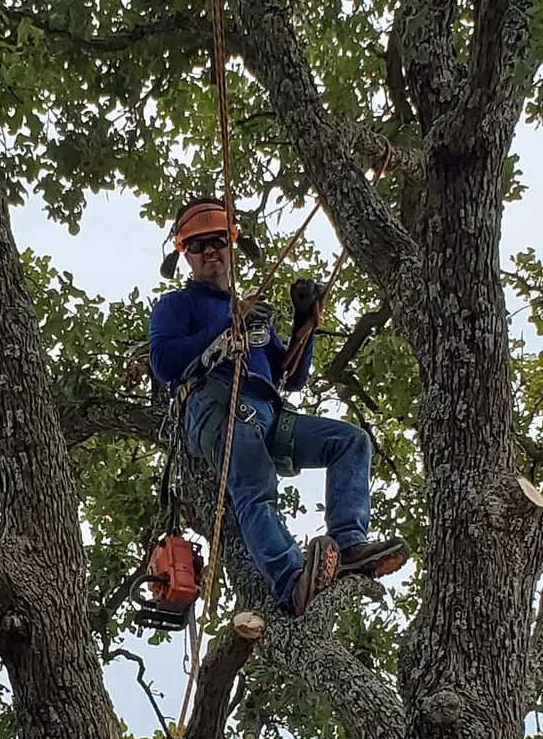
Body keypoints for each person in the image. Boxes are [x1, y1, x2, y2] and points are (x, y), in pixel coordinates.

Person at [149, 197, 408, 616]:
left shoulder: (253, 317)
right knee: (253, 488)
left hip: (268, 413)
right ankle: (292, 581)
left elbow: (291, 377)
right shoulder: (179, 306)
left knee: (350, 441)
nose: (210, 251)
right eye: (198, 246)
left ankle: (349, 543)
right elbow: (164, 362)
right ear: (185, 255)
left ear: (232, 245)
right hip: (218, 408)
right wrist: (228, 321)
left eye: (218, 241)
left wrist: (302, 321)